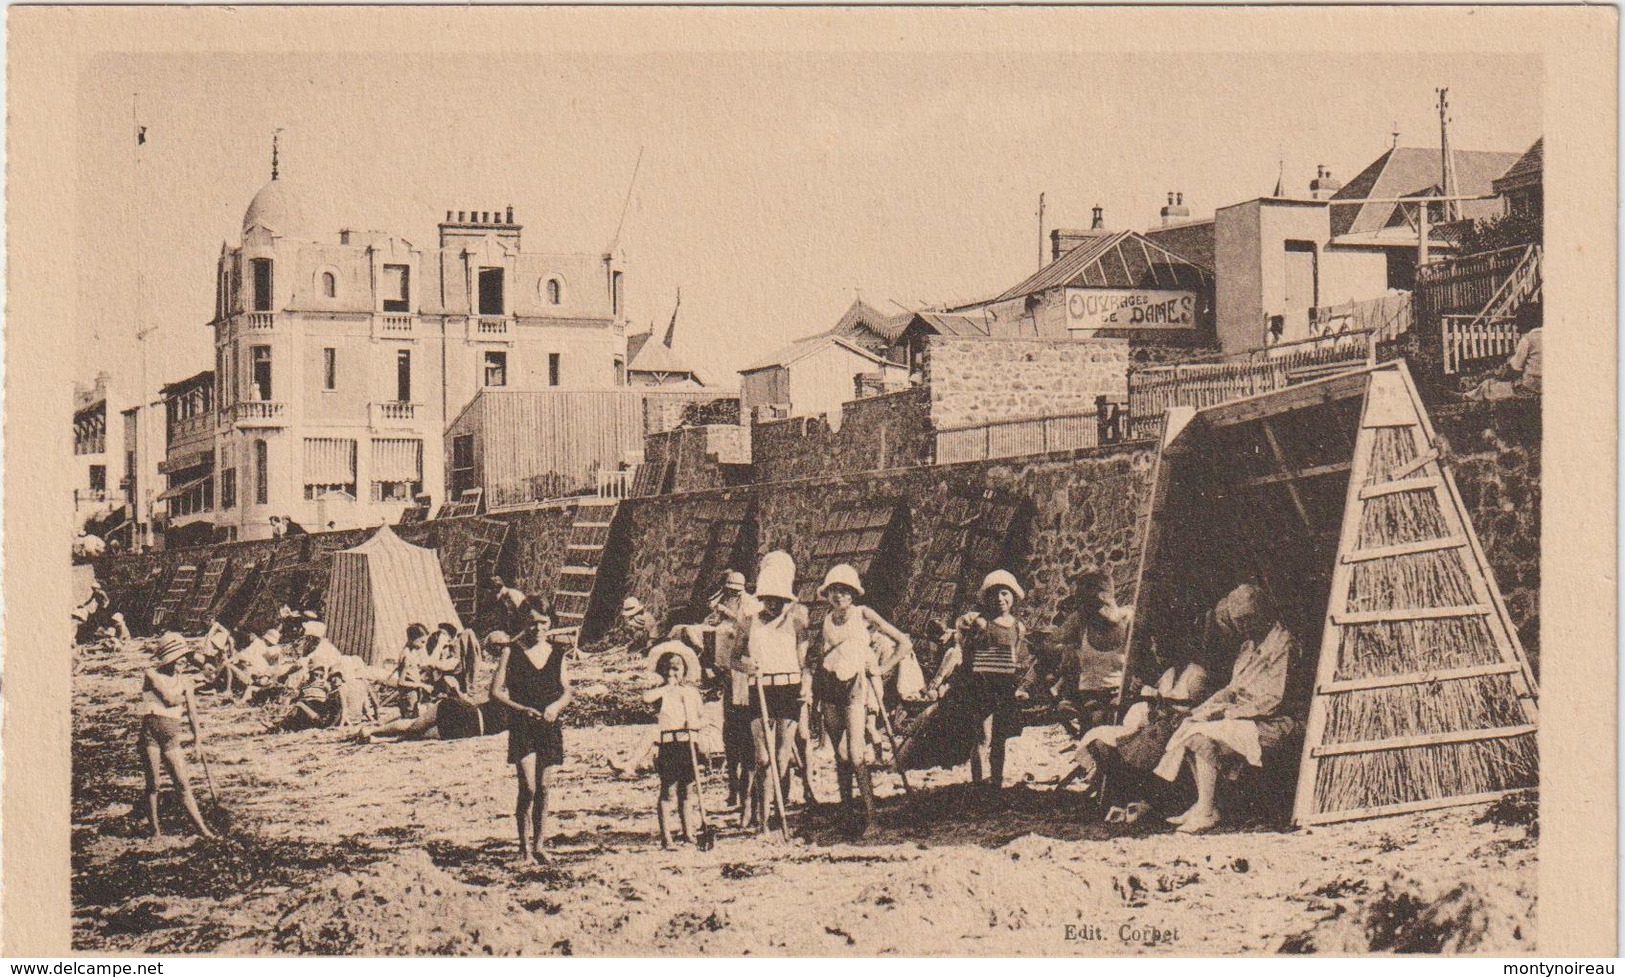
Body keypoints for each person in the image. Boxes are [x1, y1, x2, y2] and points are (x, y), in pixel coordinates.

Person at [1153, 584, 1311, 834]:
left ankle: (1207, 809)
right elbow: (1233, 689)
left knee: (1203, 737)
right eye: (1238, 621)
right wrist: (1203, 709)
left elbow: (1274, 700)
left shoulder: (1283, 644)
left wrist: (1228, 713)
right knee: (1190, 726)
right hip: (1246, 716)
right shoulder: (1248, 647)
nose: (1243, 627)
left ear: (1263, 613)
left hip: (1278, 720)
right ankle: (1204, 804)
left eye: (1248, 619)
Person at [898, 571, 1032, 788]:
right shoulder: (980, 623)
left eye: (1005, 593)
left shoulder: (1018, 627)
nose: (1000, 599)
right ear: (986, 599)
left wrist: (1016, 685)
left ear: (1014, 596)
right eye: (994, 594)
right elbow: (964, 645)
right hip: (983, 687)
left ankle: (996, 784)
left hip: (1004, 688)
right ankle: (979, 785)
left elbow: (1014, 657)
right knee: (983, 738)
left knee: (1000, 739)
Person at [814, 564, 913, 836]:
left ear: (853, 594)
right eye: (834, 590)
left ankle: (872, 819)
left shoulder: (863, 614)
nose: (839, 596)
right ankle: (847, 815)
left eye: (845, 591)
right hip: (829, 685)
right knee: (840, 755)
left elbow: (904, 642)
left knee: (855, 754)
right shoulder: (826, 619)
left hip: (855, 686)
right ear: (828, 594)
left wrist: (882, 668)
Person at [490, 601, 573, 864]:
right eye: (533, 621)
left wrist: (556, 707)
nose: (538, 628)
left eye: (543, 622)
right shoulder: (511, 652)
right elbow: (495, 692)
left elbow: (567, 690)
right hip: (523, 724)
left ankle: (539, 845)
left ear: (550, 623)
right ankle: (523, 849)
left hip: (548, 725)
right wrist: (521, 708)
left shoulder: (558, 652)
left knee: (545, 788)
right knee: (528, 786)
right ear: (524, 621)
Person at [739, 551, 810, 832]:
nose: (773, 605)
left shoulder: (797, 620)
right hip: (761, 689)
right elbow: (735, 658)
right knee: (763, 758)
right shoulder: (748, 621)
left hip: (789, 688)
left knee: (782, 756)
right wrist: (747, 665)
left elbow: (804, 662)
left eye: (778, 601)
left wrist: (805, 686)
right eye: (769, 600)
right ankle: (761, 817)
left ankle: (778, 815)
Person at [136, 633, 216, 838]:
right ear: (169, 658)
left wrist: (197, 740)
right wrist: (188, 693)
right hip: (150, 734)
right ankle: (155, 831)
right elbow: (169, 699)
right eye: (179, 659)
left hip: (172, 736)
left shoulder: (185, 680)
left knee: (182, 784)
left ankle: (202, 829)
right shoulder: (151, 674)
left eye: (184, 659)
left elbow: (192, 714)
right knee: (153, 784)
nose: (183, 663)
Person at [1046, 571, 1134, 735]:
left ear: (1107, 599)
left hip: (1121, 695)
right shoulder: (1081, 619)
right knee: (1093, 740)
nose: (1093, 612)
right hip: (1089, 697)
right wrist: (1069, 650)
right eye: (1087, 606)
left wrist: (1127, 694)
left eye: (1096, 605)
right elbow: (1049, 643)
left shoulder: (1129, 618)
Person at [642, 641, 706, 848]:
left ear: (684, 670)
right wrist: (666, 688)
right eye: (667, 669)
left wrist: (695, 726)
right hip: (669, 745)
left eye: (676, 669)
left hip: (688, 744)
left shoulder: (691, 693)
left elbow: (701, 717)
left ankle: (689, 832)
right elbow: (646, 698)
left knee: (687, 790)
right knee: (668, 790)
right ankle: (666, 835)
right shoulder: (660, 692)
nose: (672, 673)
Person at [706, 571, 759, 812]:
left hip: (745, 673)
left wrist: (729, 614)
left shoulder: (750, 604)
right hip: (728, 671)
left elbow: (747, 628)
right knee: (730, 732)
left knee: (746, 732)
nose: (732, 593)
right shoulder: (724, 600)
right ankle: (733, 788)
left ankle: (747, 792)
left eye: (735, 590)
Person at [1463, 302, 1542, 401]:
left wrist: (1501, 377)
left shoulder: (1528, 339)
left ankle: (1464, 397)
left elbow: (1514, 369)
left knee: (1489, 386)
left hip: (1531, 388)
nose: (1517, 327)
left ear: (1526, 321)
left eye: (1518, 322)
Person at [394, 623, 437, 719]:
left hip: (414, 693)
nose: (423, 646)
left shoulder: (412, 652)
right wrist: (422, 685)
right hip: (408, 695)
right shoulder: (407, 656)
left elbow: (412, 670)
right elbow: (401, 682)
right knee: (409, 722)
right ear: (412, 639)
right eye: (422, 642)